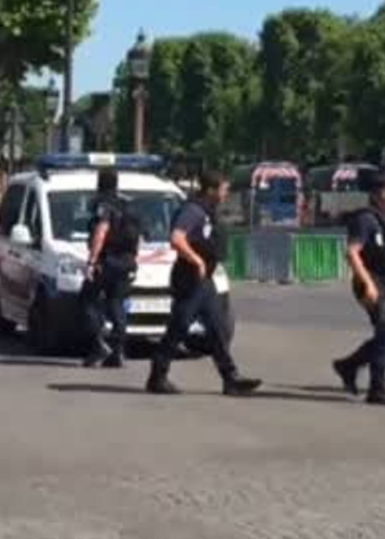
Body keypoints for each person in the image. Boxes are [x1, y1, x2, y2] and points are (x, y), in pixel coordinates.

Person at [147, 170, 261, 396]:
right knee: (178, 328)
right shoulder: (193, 211)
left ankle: (231, 379)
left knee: (217, 328)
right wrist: (196, 259)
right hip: (189, 278)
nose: (226, 193)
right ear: (210, 190)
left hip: (204, 280)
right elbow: (176, 238)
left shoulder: (207, 211)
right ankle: (157, 377)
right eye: (223, 189)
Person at [332, 171, 385, 406]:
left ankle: (349, 365)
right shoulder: (366, 219)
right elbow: (352, 252)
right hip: (371, 280)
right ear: (382, 194)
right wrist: (367, 284)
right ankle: (377, 388)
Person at [83, 168, 140, 368]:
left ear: (99, 183)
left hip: (107, 261)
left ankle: (99, 344)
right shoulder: (128, 204)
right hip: (126, 262)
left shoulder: (103, 204)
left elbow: (101, 231)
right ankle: (118, 350)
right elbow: (137, 236)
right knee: (117, 304)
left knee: (88, 299)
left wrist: (92, 261)